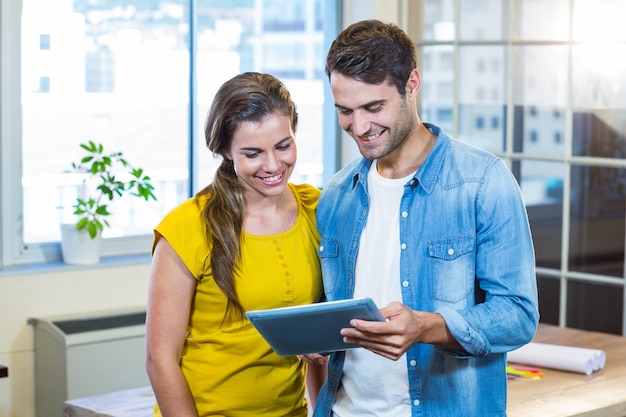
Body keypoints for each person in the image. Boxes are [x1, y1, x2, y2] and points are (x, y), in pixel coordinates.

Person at [306, 20, 539, 417]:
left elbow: (518, 315)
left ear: (412, 83)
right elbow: (335, 311)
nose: (359, 127)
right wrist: (315, 335)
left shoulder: (482, 182)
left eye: (373, 107)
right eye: (345, 111)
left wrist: (427, 327)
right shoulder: (336, 195)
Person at [145, 72, 326, 417]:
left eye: (283, 146)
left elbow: (319, 337)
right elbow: (159, 360)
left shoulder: (317, 210)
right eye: (253, 153)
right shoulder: (188, 226)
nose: (273, 165)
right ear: (226, 150)